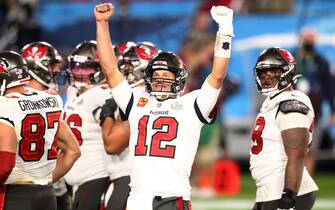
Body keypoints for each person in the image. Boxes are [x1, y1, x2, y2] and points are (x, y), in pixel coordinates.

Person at [94, 3, 233, 210]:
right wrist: (102, 23)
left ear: (179, 80)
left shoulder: (191, 104)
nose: (160, 81)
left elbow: (218, 75)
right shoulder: (137, 102)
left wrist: (225, 30)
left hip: (173, 196)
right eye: (156, 76)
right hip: (137, 197)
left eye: (167, 76)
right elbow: (110, 70)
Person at [0, 51, 80, 210]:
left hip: (14, 195)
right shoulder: (49, 99)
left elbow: (5, 164)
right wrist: (44, 180)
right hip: (47, 195)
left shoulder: (5, 106)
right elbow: (73, 151)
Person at [249, 47, 318, 210]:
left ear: (288, 72)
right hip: (270, 190)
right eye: (263, 73)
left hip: (285, 191)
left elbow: (296, 156)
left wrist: (288, 197)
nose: (266, 77)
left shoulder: (291, 104)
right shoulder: (272, 101)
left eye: (273, 72)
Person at [100, 41, 159, 210]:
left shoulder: (139, 97)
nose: (124, 71)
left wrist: (107, 113)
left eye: (129, 67)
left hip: (129, 178)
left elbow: (112, 144)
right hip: (131, 177)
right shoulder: (143, 96)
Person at [21, 41, 77, 210]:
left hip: (22, 188)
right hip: (47, 189)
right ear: (36, 66)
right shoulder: (51, 99)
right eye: (52, 65)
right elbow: (73, 150)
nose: (57, 70)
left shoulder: (11, 98)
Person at [63, 40, 110, 210]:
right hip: (73, 177)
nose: (79, 72)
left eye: (86, 68)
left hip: (95, 174)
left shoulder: (102, 94)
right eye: (76, 67)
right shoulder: (71, 91)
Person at [294, 28, 335, 175]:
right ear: (301, 39)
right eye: (308, 38)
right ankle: (291, 181)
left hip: (313, 110)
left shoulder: (320, 61)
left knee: (312, 147)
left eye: (313, 39)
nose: (310, 42)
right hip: (292, 109)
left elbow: (329, 87)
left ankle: (306, 181)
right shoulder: (292, 59)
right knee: (292, 147)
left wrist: (332, 110)